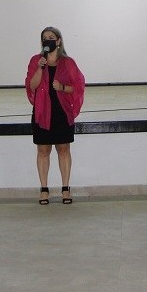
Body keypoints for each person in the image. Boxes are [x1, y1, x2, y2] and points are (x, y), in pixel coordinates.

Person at [25, 26, 85, 205]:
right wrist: (39, 69)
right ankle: (44, 190)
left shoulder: (68, 63)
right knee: (43, 151)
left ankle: (65, 189)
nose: (47, 40)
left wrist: (62, 88)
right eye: (44, 38)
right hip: (42, 112)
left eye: (51, 37)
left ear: (58, 41)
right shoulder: (36, 60)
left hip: (61, 112)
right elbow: (31, 86)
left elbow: (78, 86)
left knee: (63, 149)